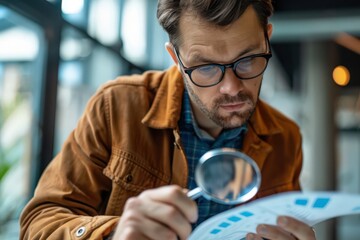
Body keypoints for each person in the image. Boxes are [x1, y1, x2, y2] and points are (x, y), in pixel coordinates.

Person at [20, 0, 316, 239]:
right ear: (176, 58)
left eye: (249, 59)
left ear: (267, 39)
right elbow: (38, 224)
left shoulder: (285, 137)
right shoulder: (117, 107)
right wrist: (113, 234)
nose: (232, 88)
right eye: (206, 67)